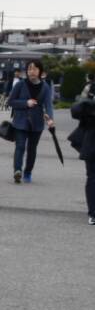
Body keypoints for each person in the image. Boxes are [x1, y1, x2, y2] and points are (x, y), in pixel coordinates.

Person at [6, 59, 55, 183]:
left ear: (40, 71)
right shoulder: (20, 85)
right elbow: (10, 101)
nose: (31, 71)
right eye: (29, 69)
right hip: (20, 121)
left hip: (37, 123)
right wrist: (25, 103)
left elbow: (48, 105)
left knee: (32, 149)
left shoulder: (45, 87)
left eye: (34, 69)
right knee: (20, 146)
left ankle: (28, 172)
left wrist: (50, 118)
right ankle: (17, 171)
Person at [69, 85, 95, 224]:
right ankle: (93, 212)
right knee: (92, 176)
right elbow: (77, 110)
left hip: (90, 141)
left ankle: (93, 213)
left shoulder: (89, 91)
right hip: (91, 142)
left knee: (92, 176)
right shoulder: (90, 91)